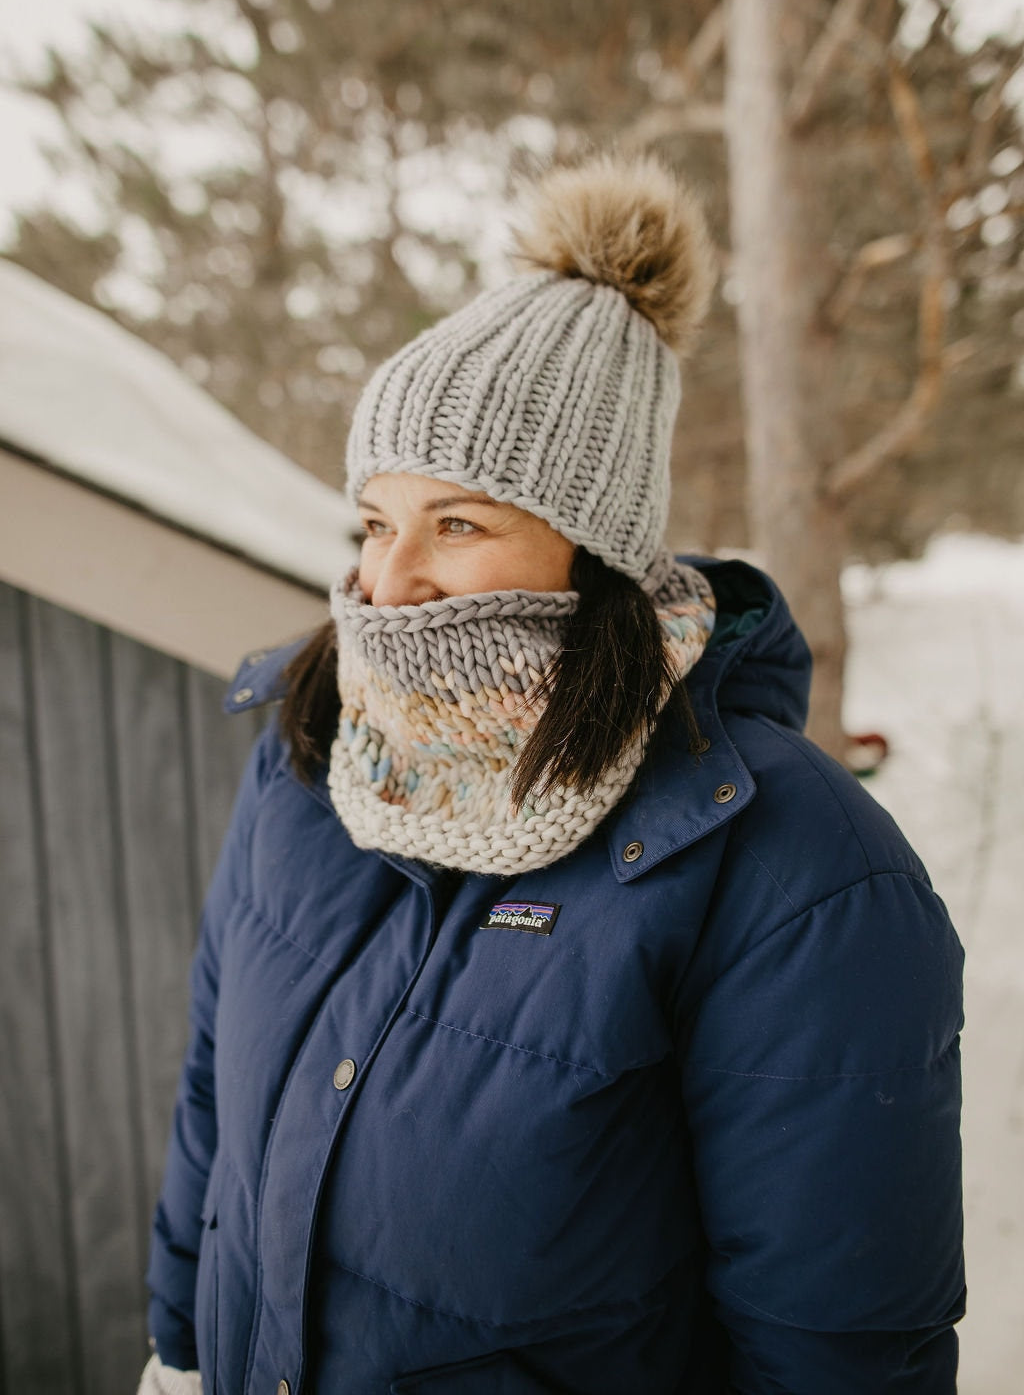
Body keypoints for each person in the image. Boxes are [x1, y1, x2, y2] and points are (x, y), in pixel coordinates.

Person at [138, 152, 965, 1395]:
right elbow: (215, 1098)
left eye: (458, 523)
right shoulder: (309, 762)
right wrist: (181, 1353)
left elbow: (834, 1347)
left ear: (595, 551)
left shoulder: (798, 875)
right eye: (376, 521)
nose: (388, 582)